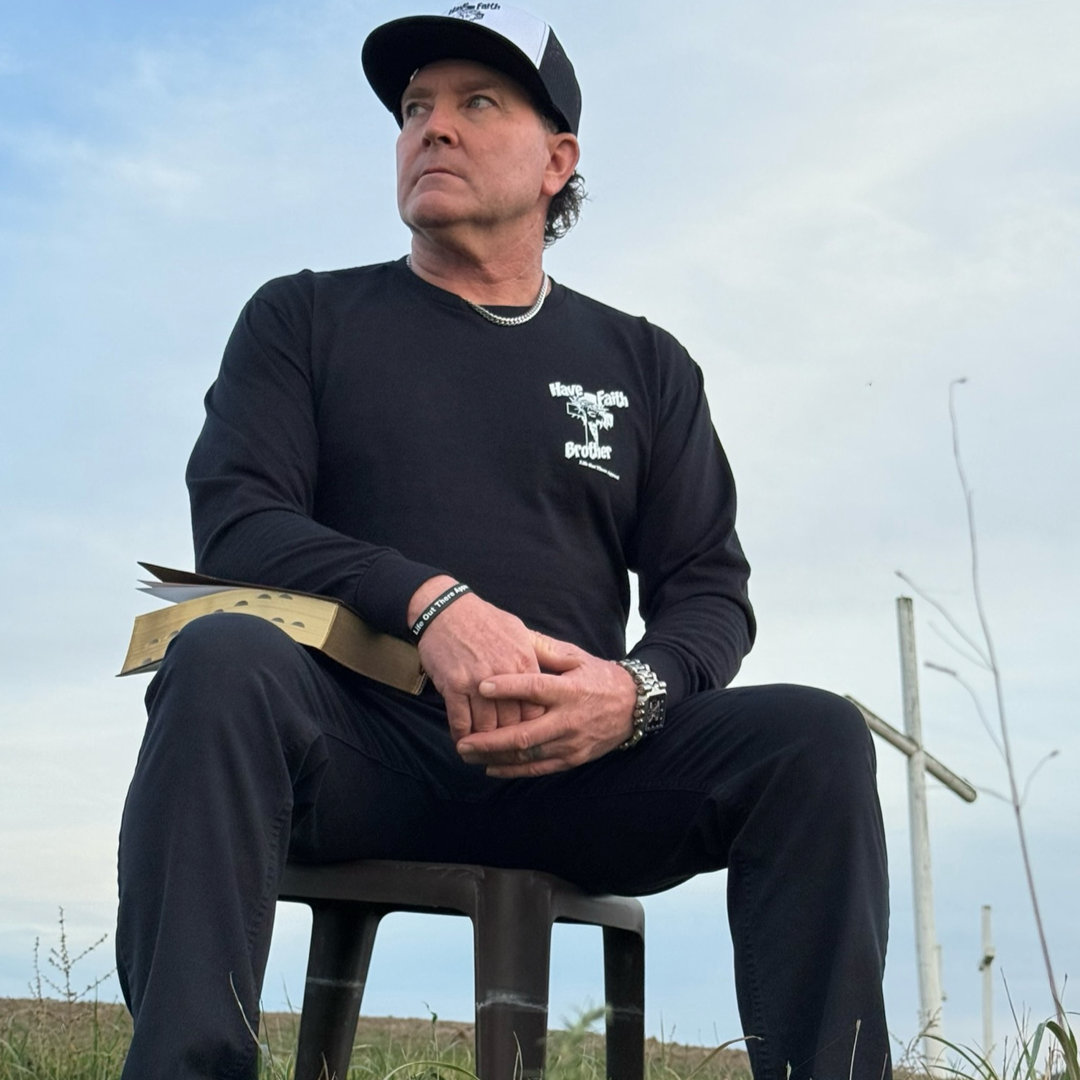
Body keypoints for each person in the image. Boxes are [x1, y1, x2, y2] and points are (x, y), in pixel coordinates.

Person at [115, 6, 892, 1078]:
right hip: (358, 748)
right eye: (415, 108)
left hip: (579, 772)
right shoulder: (301, 319)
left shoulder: (645, 364)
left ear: (557, 161)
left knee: (816, 740)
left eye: (477, 102)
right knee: (216, 657)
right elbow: (242, 522)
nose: (432, 128)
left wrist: (638, 694)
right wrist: (430, 601)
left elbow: (708, 589)